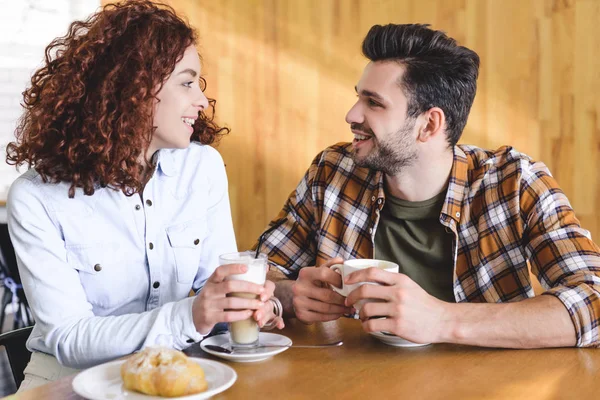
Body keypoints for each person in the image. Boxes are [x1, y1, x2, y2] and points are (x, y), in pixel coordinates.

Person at [255, 23, 600, 349]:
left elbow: (594, 298)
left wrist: (441, 319)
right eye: (359, 97)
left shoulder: (514, 184)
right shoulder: (333, 171)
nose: (352, 115)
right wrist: (288, 295)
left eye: (373, 103)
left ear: (429, 124)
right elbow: (260, 272)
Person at [6, 0, 283, 390]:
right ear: (133, 89)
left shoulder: (201, 167)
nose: (201, 101)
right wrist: (190, 316)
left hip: (168, 376)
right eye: (187, 83)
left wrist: (249, 305)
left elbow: (212, 291)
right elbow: (67, 339)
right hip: (65, 383)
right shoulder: (36, 198)